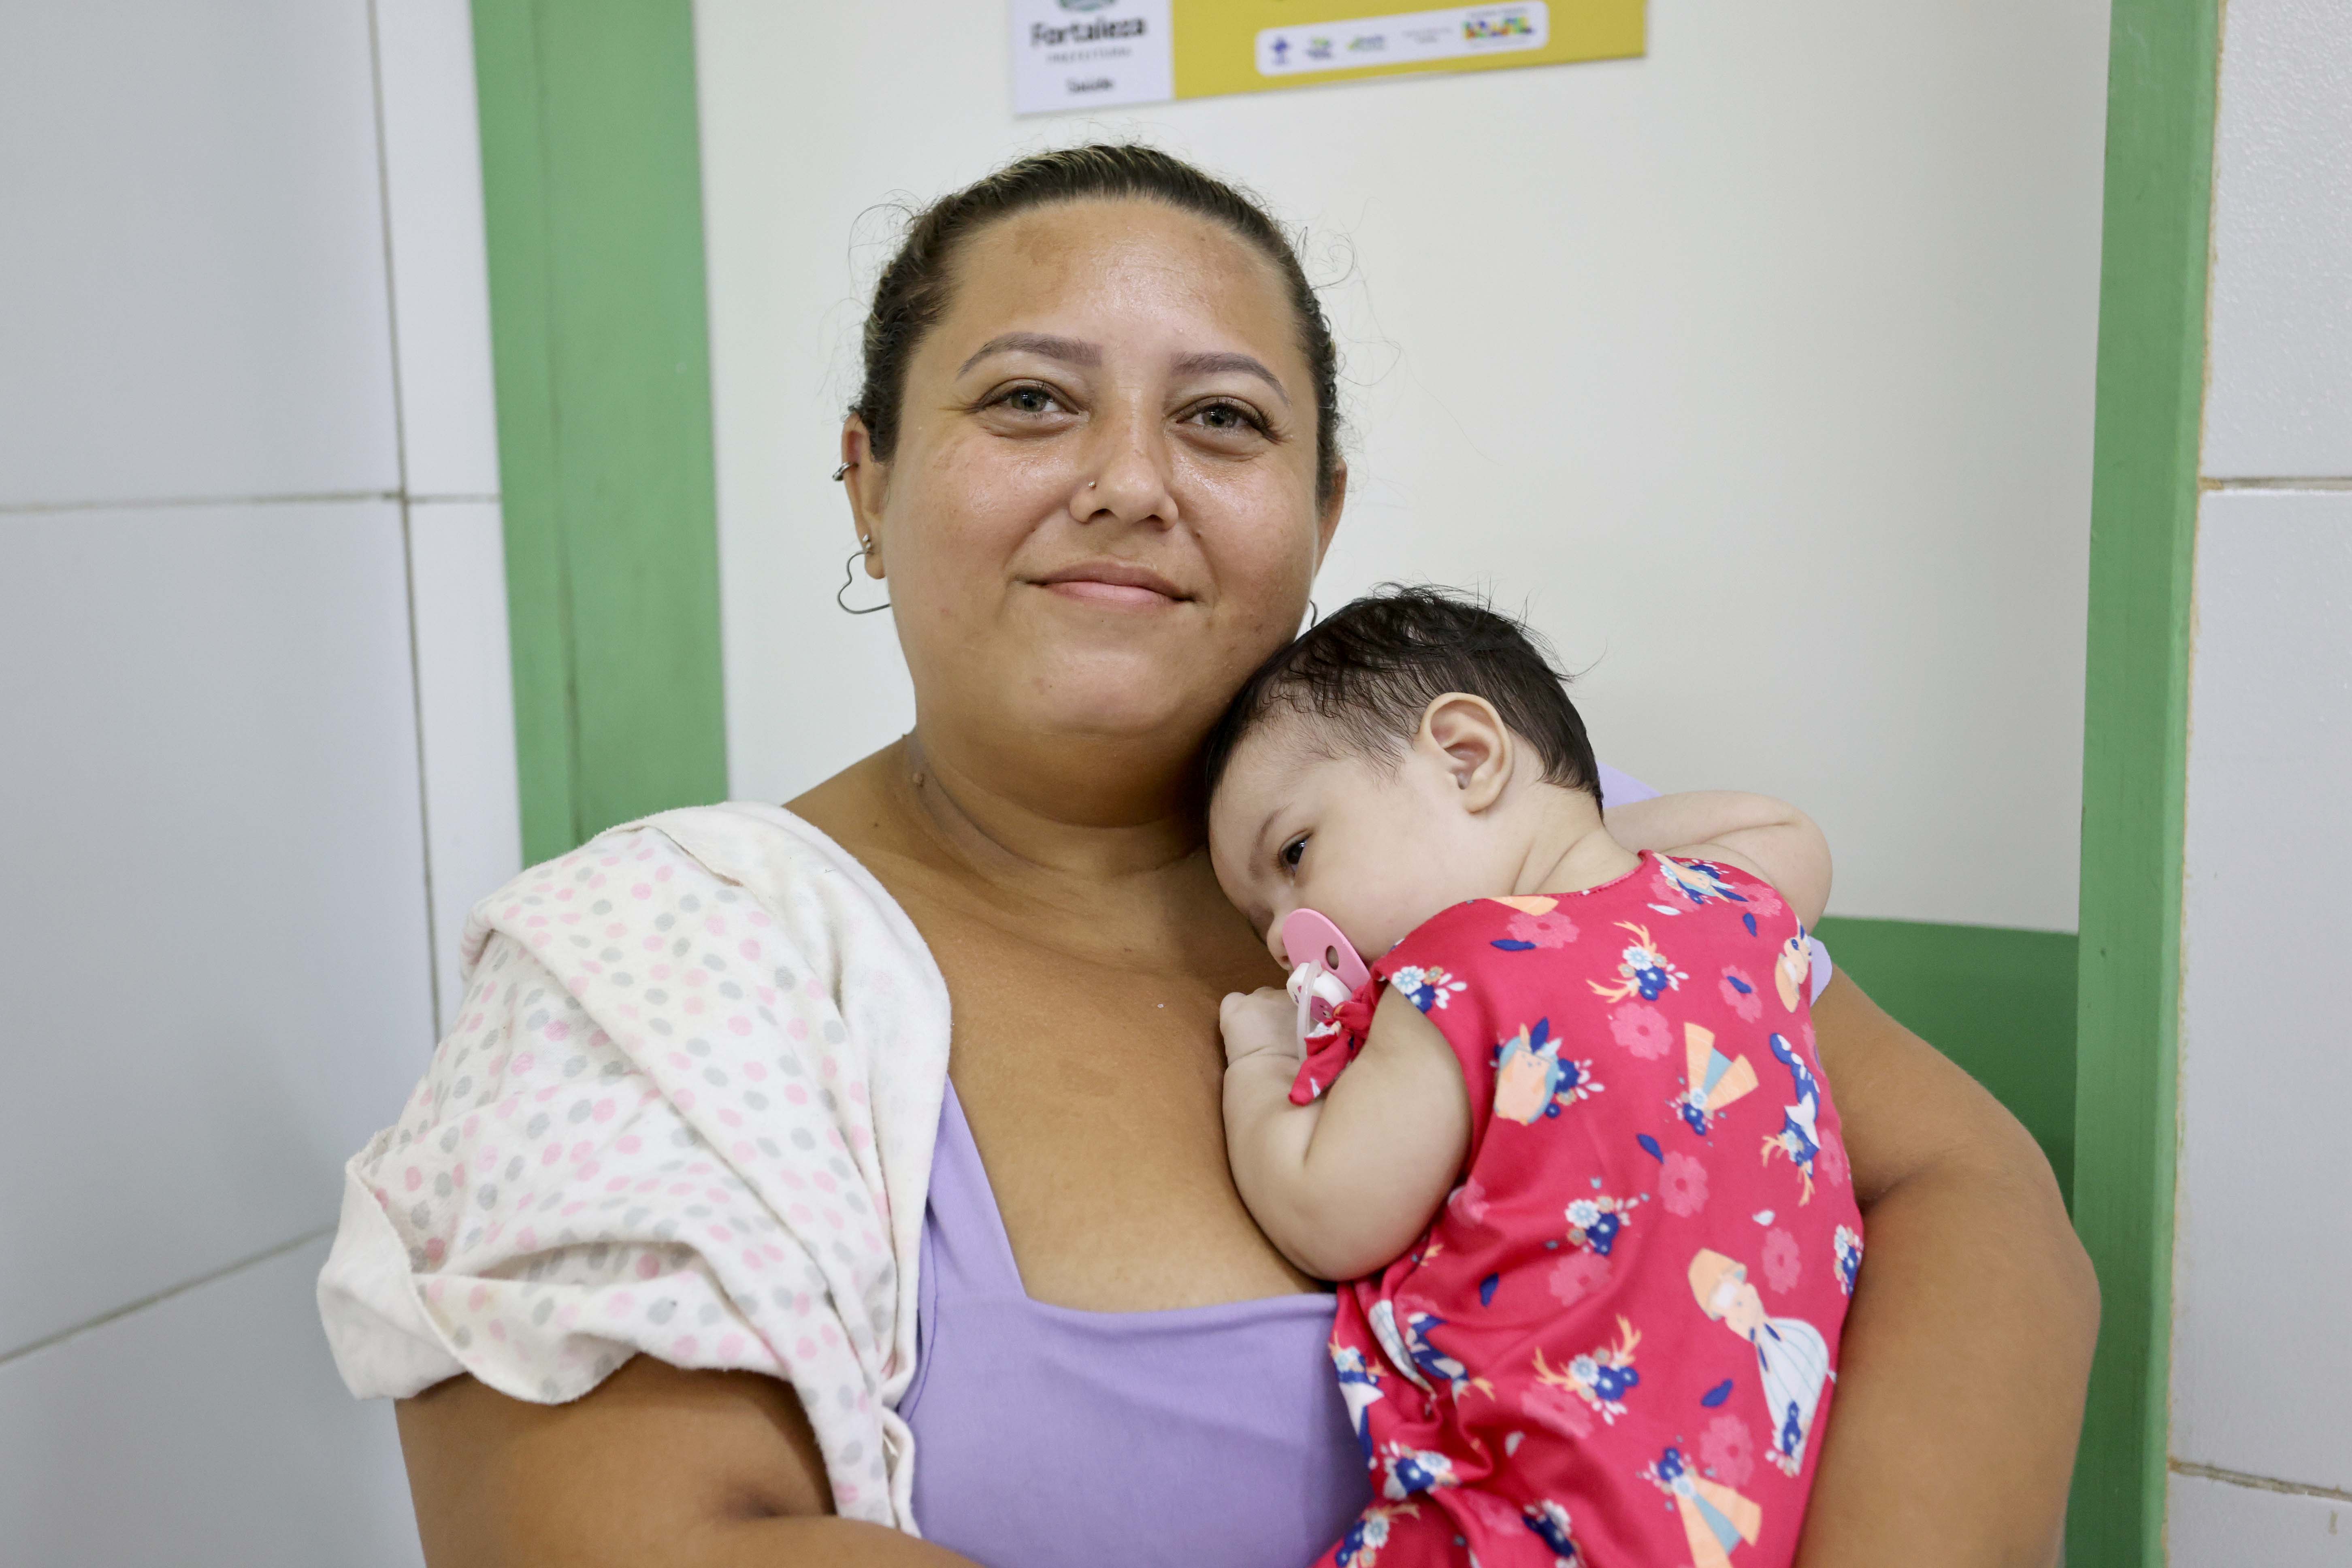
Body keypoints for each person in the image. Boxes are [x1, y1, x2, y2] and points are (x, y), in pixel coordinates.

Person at [332, 145, 2098, 1567]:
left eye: (1226, 419)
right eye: (1028, 400)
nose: (1127, 480)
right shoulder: (672, 969)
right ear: (867, 481)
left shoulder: (1509, 837)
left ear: (1323, 512)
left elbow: (1970, 1193)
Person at [1204, 587, 1858, 1565]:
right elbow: (1786, 831)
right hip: (1746, 1514)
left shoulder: (1454, 977)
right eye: (1263, 918)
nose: (1290, 951)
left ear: (1467, 755)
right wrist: (1582, 844)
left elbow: (1327, 1206)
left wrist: (1261, 1063)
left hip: (1526, 1524)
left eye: (1295, 856)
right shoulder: (1729, 905)